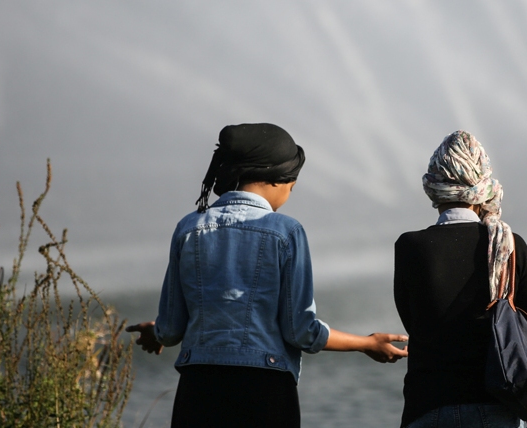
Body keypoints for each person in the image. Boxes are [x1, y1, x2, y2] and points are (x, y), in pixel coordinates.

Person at [126, 123, 408, 427]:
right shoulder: (286, 232)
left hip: (199, 389)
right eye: (292, 185)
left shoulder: (188, 228)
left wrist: (154, 332)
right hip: (264, 392)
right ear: (277, 181)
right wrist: (367, 344)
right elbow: (301, 331)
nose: (291, 192)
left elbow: (170, 331)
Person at [393, 130, 527, 428]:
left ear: (434, 187)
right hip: (498, 406)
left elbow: (414, 322)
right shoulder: (509, 244)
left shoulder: (410, 247)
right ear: (483, 186)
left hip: (427, 406)